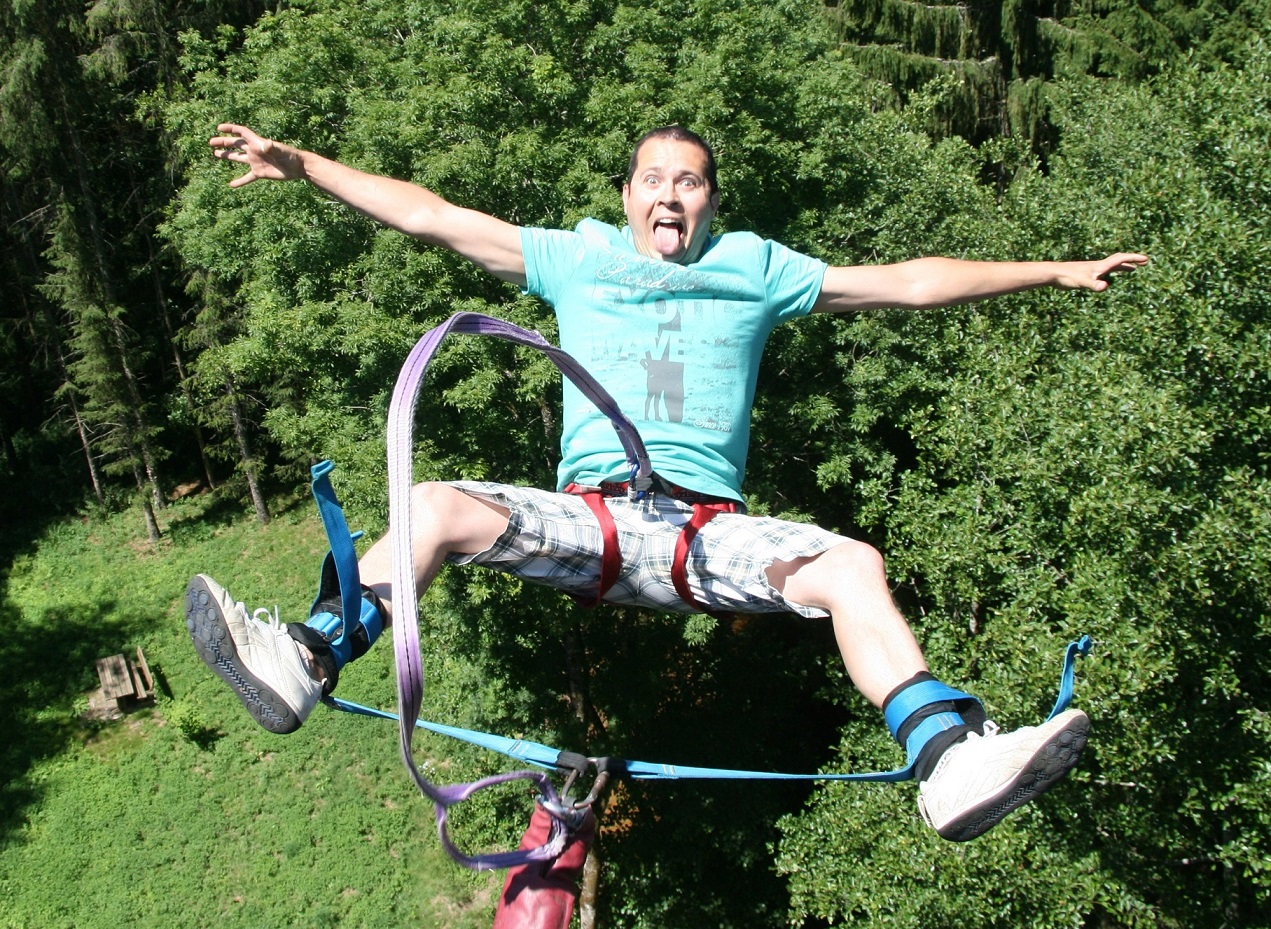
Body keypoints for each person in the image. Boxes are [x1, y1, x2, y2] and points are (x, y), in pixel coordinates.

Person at [185, 122, 1147, 843]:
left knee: (848, 562)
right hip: (588, 520)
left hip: (704, 537)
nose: (669, 195)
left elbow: (907, 280)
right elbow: (431, 215)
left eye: (688, 182)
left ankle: (946, 761)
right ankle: (305, 659)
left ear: (710, 203)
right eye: (653, 179)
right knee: (433, 506)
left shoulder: (757, 269)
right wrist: (304, 166)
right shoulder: (578, 256)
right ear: (627, 194)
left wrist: (1054, 270)